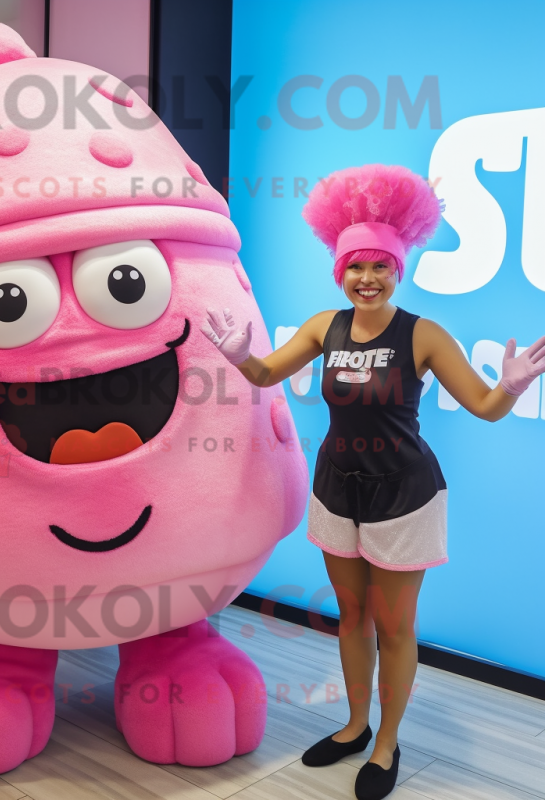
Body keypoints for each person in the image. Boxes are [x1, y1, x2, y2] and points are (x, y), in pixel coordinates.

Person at [202, 164, 545, 800]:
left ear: (397, 269)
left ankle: (387, 743)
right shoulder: (322, 327)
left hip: (404, 495)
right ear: (341, 271)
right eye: (356, 267)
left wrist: (513, 385)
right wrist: (237, 355)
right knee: (352, 617)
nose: (367, 279)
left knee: (394, 627)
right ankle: (355, 725)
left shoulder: (422, 334)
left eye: (380, 267)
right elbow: (263, 373)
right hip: (338, 487)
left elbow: (486, 407)